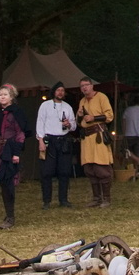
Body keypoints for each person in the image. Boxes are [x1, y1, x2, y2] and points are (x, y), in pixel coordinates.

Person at [0, 83, 31, 230]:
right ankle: (8, 214)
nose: (2, 97)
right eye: (0, 95)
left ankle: (10, 217)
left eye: (5, 95)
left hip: (9, 151)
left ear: (11, 97)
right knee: (2, 183)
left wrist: (16, 153)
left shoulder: (16, 113)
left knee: (8, 182)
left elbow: (20, 134)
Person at [36, 81, 76, 209]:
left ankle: (63, 200)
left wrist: (69, 124)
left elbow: (74, 126)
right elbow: (40, 123)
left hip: (63, 140)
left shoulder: (67, 107)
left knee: (64, 171)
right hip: (49, 140)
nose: (60, 92)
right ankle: (46, 201)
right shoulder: (45, 105)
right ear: (54, 92)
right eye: (58, 90)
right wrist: (41, 141)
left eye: (62, 90)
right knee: (47, 172)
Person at [77, 77, 115, 208]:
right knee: (89, 168)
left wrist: (94, 117)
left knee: (101, 167)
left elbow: (109, 116)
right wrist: (80, 116)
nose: (84, 88)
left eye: (86, 85)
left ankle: (106, 199)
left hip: (98, 136)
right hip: (87, 138)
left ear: (92, 85)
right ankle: (96, 198)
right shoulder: (82, 101)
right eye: (82, 86)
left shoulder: (101, 97)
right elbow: (79, 122)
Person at [122, 100, 139, 175]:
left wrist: (124, 132)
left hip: (128, 134)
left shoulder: (128, 110)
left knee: (126, 150)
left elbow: (124, 121)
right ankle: (138, 169)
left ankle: (135, 162)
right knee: (138, 152)